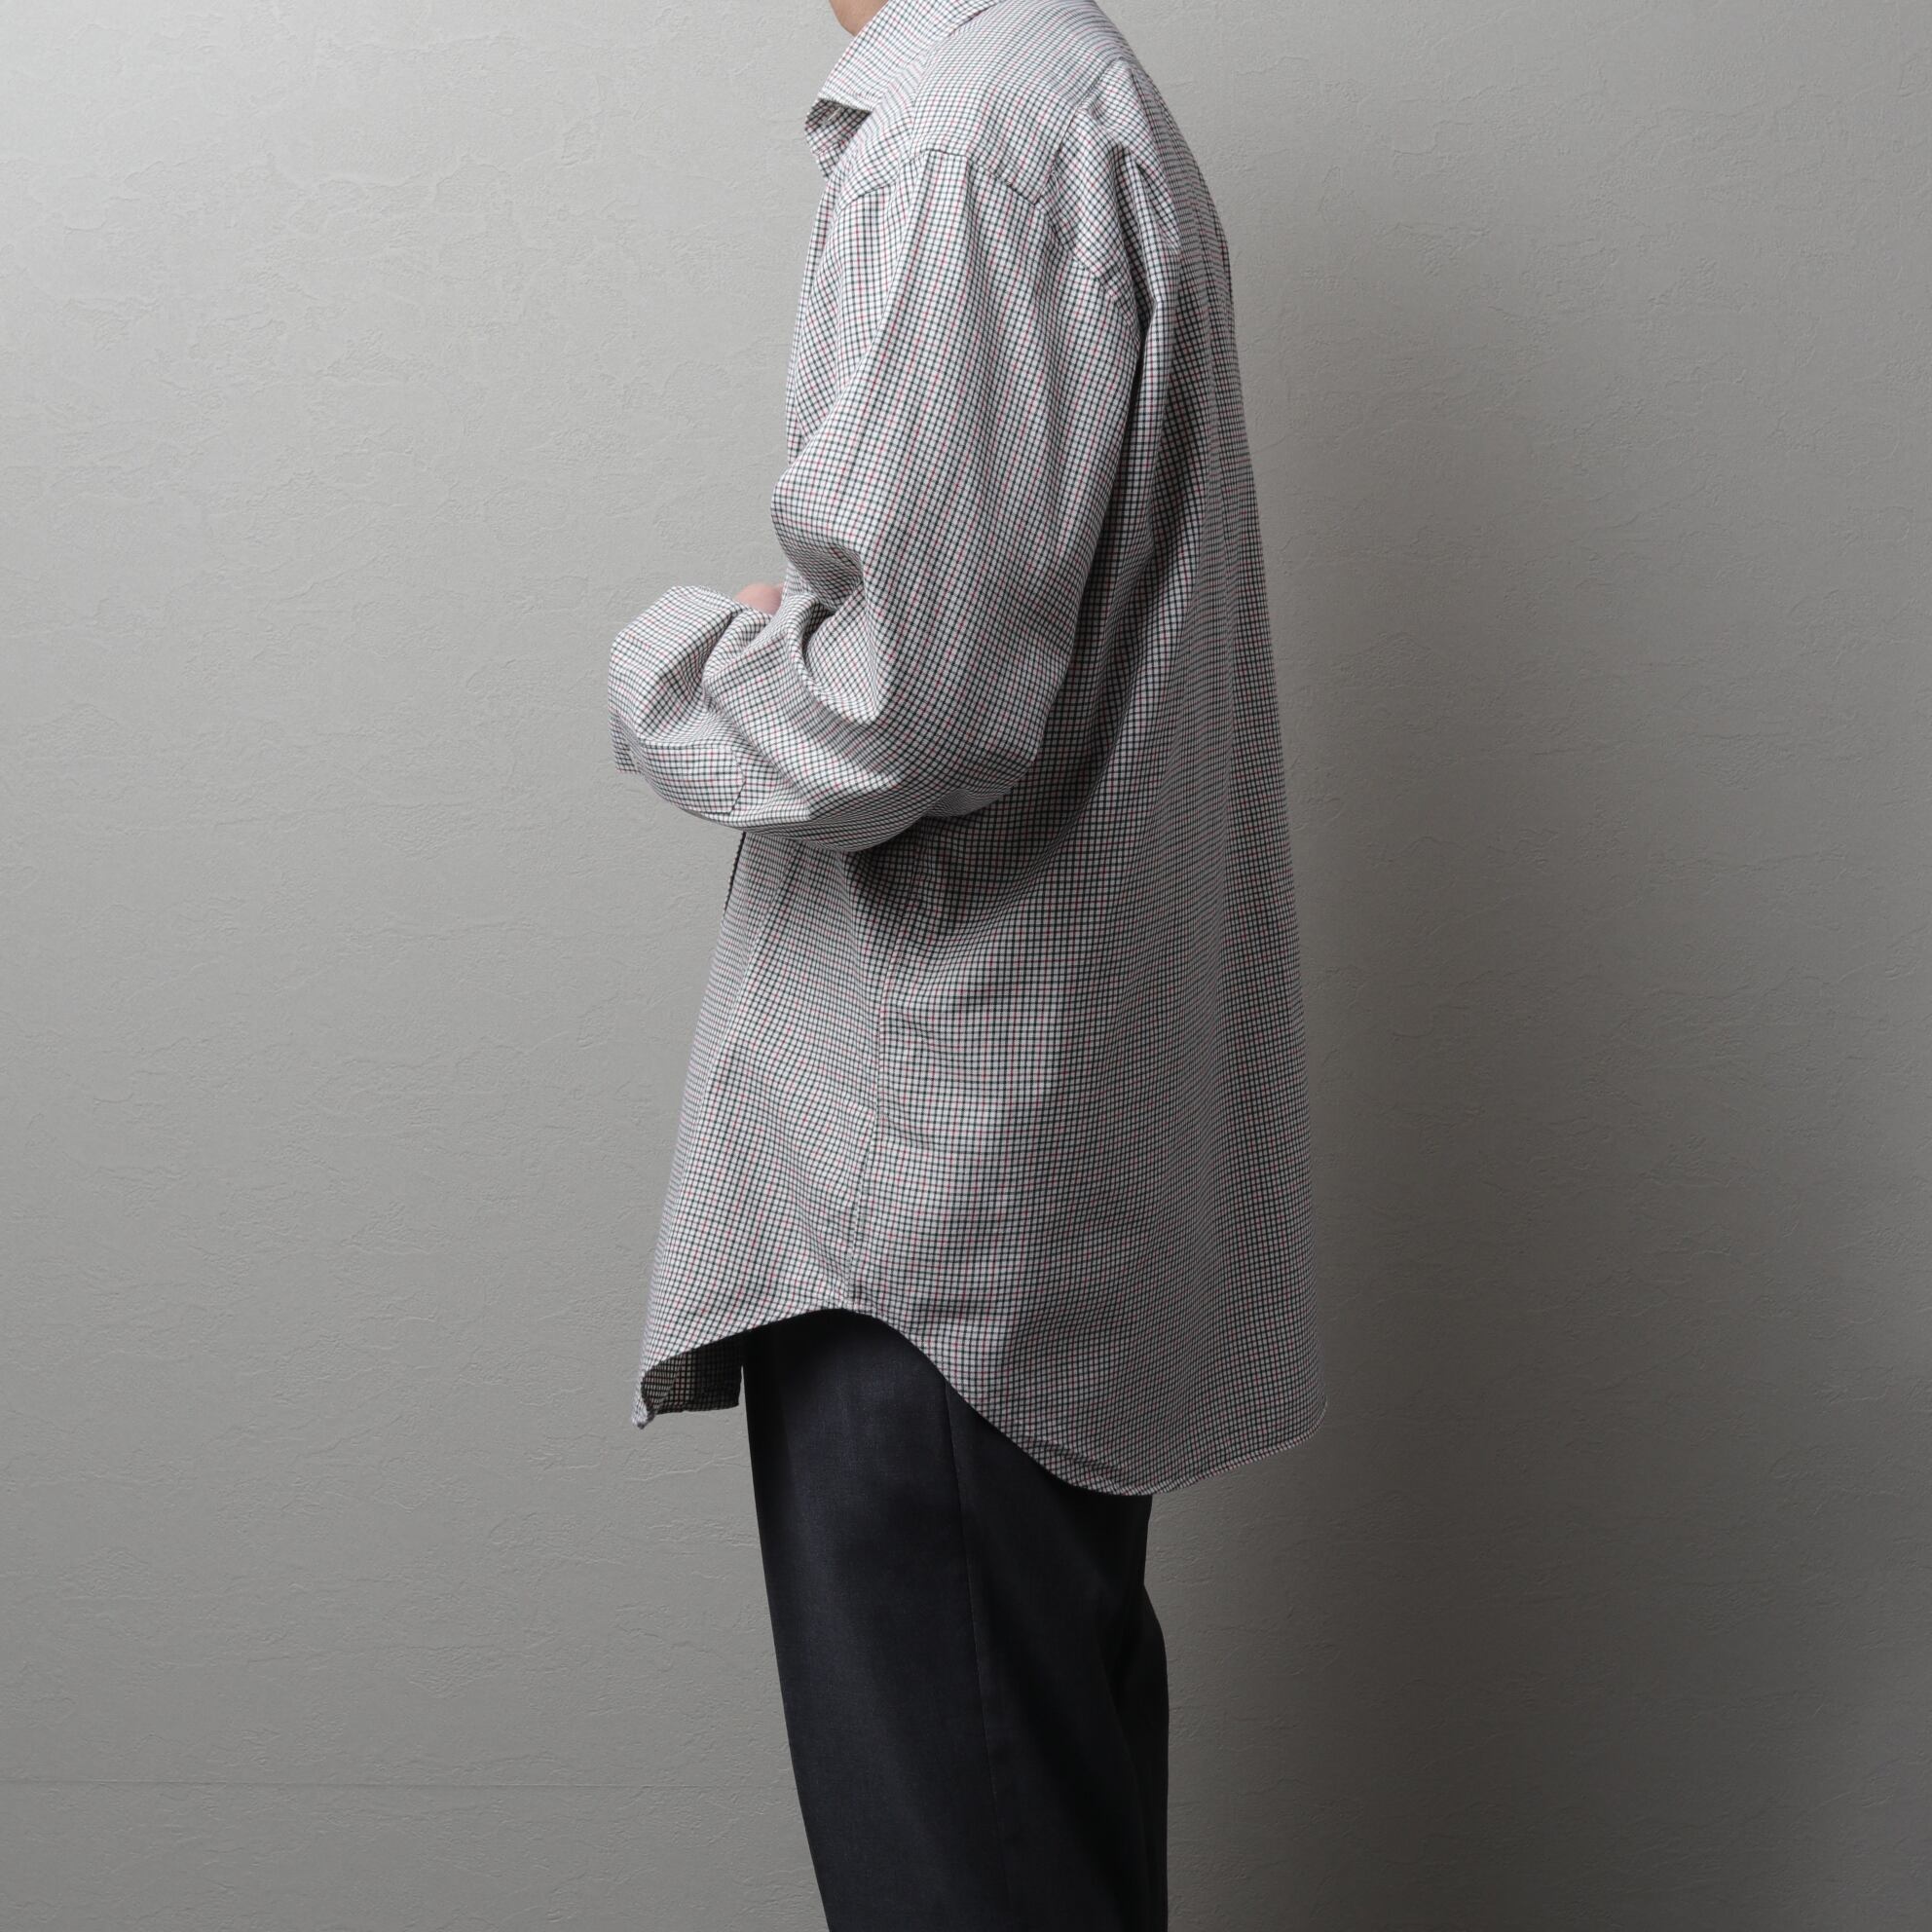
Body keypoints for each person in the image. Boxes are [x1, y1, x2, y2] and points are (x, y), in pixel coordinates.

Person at [606, 0, 1327, 1922]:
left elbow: (902, 705)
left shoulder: (957, 139)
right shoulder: (1054, 97)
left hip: (915, 1232)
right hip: (1005, 1205)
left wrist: (680, 663)